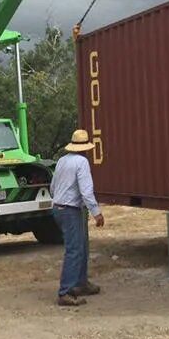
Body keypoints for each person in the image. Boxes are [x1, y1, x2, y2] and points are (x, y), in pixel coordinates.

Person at [49, 129, 105, 306]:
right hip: (70, 209)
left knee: (81, 246)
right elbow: (86, 191)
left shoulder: (62, 161)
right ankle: (65, 291)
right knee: (74, 249)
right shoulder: (82, 162)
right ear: (86, 147)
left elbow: (53, 187)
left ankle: (80, 283)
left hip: (59, 207)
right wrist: (97, 212)